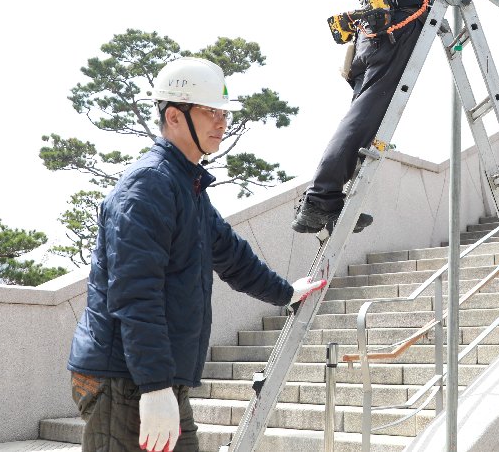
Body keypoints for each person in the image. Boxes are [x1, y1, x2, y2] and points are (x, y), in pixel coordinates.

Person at [67, 57, 327, 452]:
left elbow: (233, 256)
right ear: (174, 116)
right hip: (123, 376)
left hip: (152, 374)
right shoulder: (149, 185)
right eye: (210, 112)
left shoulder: (186, 187)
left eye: (224, 113)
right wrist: (154, 387)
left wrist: (286, 292)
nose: (222, 122)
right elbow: (135, 293)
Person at [292, 0, 492, 234]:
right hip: (397, 20)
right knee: (368, 112)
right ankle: (320, 198)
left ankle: (328, 203)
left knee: (365, 114)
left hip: (376, 25)